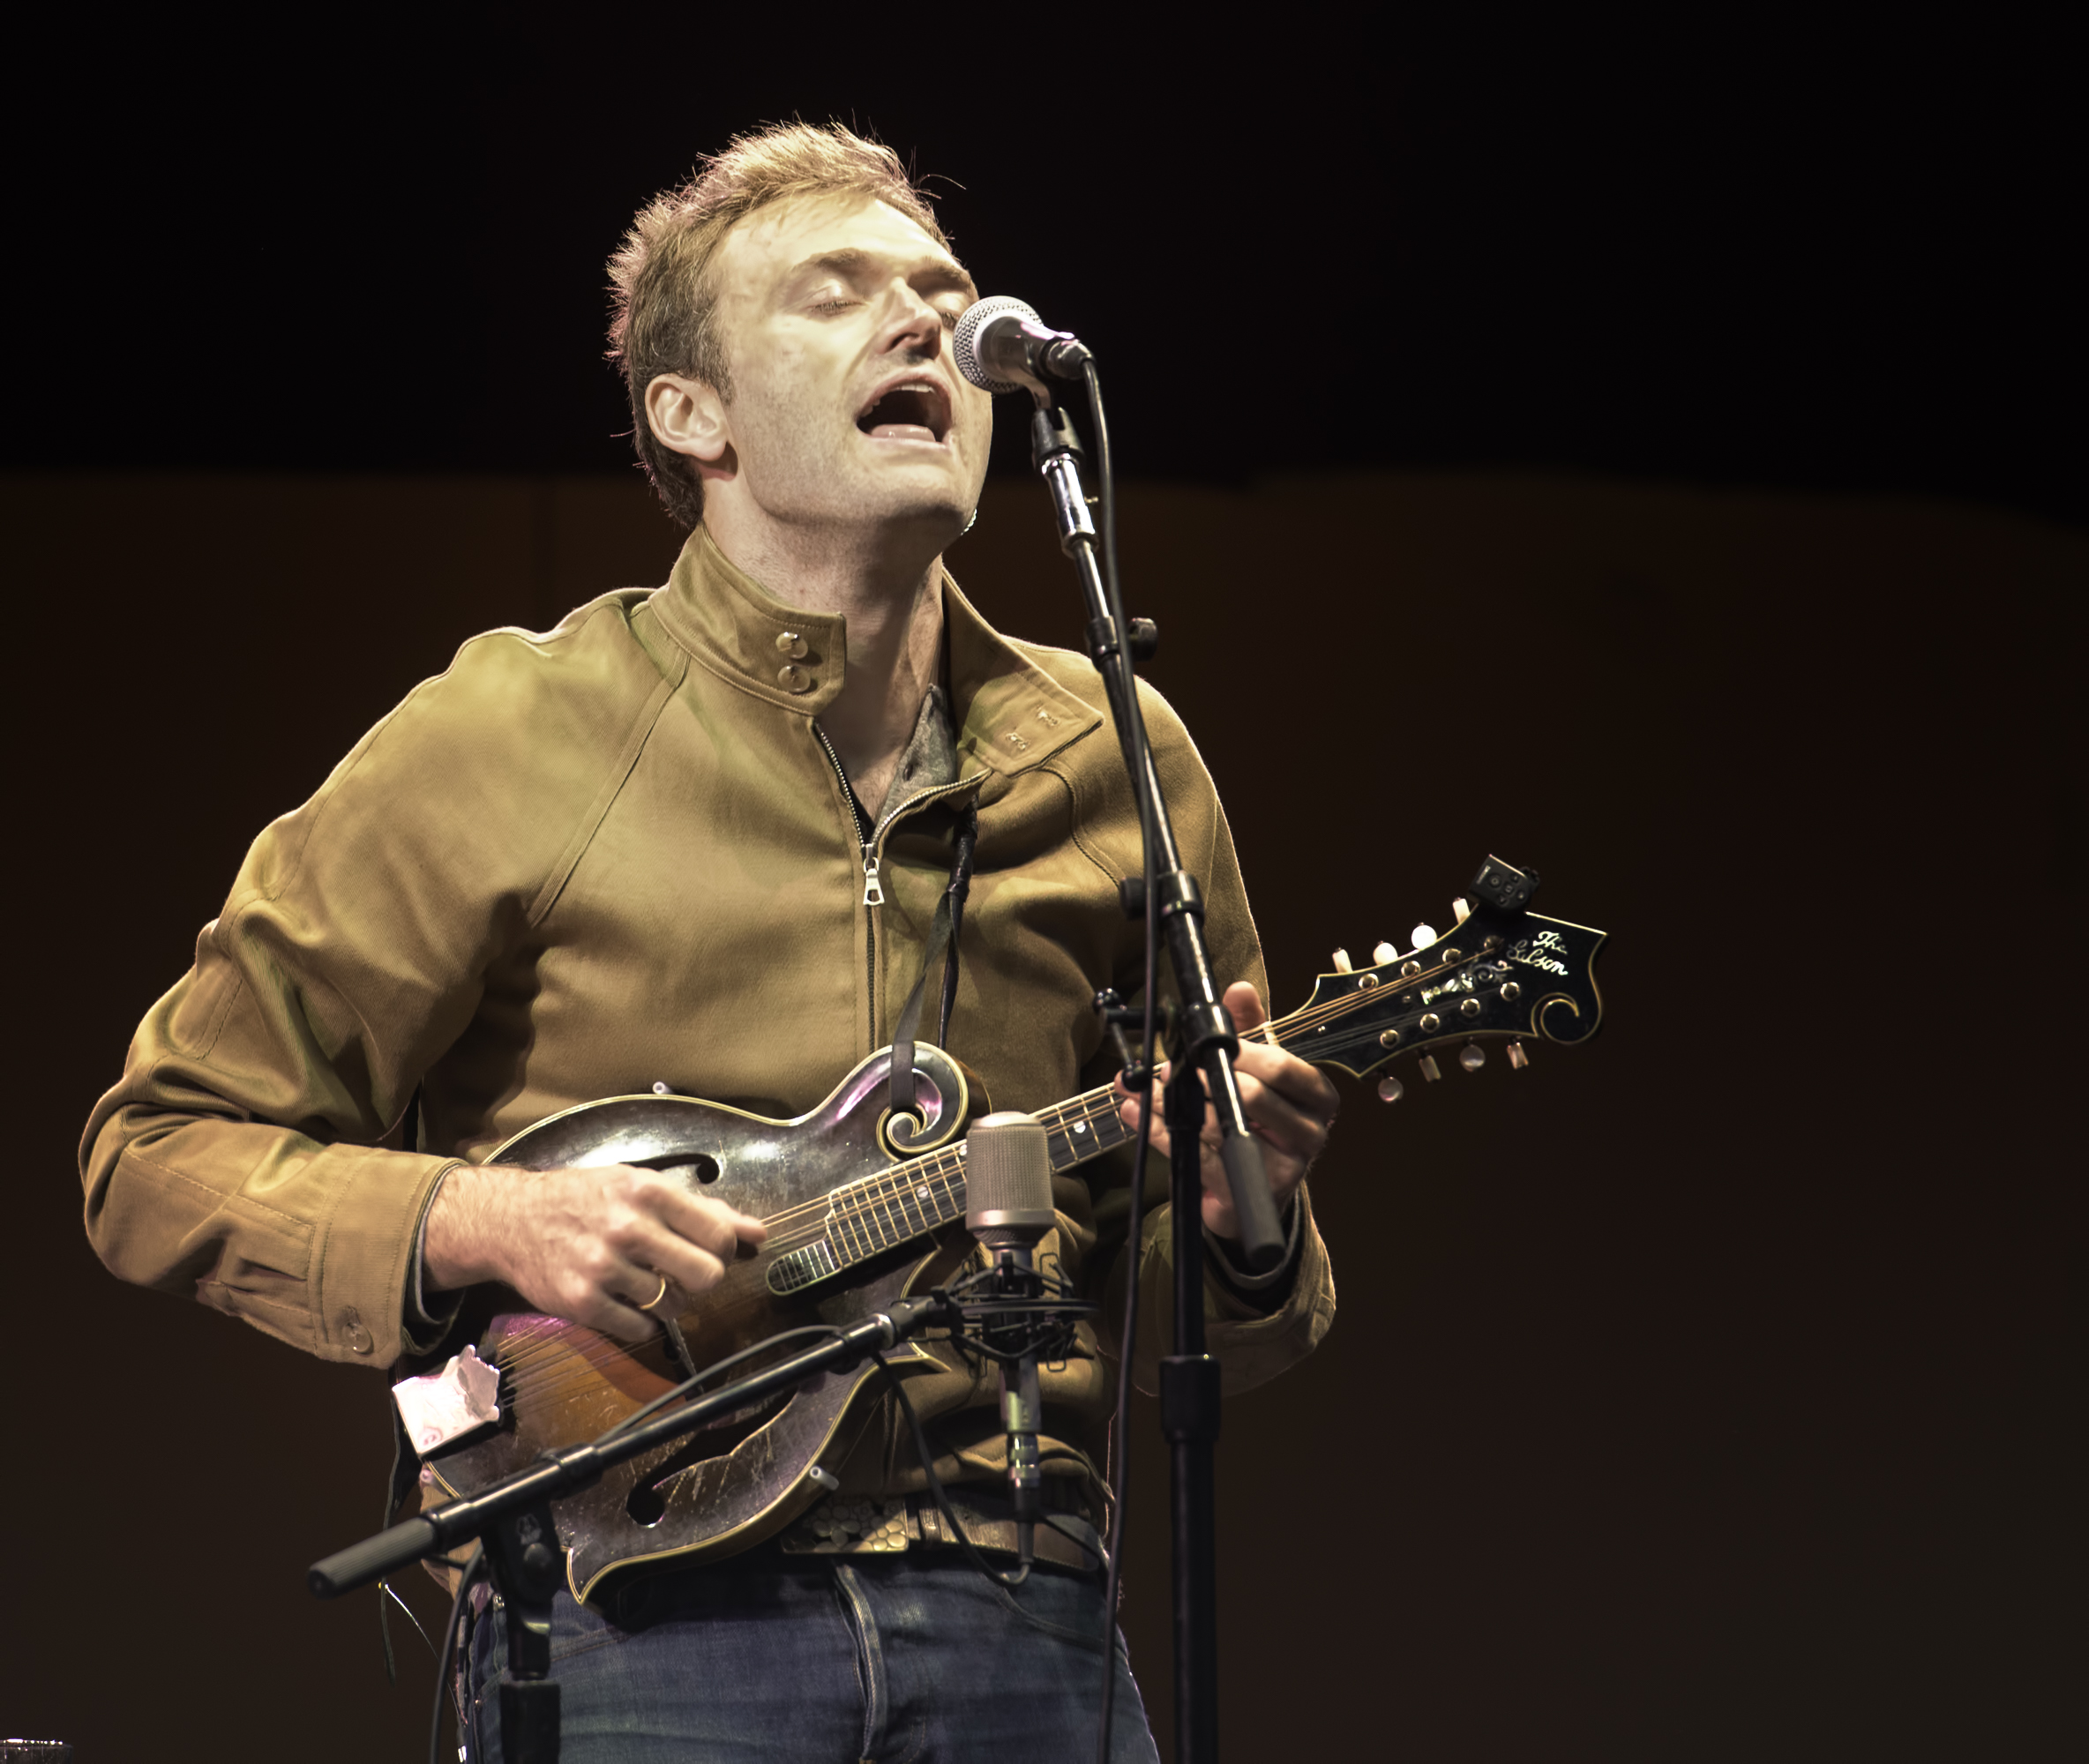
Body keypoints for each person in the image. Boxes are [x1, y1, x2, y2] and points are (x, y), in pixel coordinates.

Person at [80, 122, 1339, 1761]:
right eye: (838, 295)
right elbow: (153, 1154)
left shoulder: (1119, 753)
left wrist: (1251, 1206)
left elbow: (1192, 1315)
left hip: (1024, 1610)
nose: (928, 326)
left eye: (945, 293)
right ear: (693, 416)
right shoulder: (510, 731)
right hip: (635, 1625)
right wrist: (483, 1218)